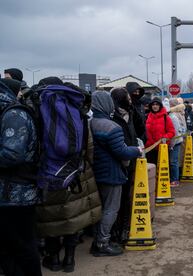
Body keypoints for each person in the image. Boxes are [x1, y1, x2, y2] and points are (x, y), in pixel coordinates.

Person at [36, 81, 102, 273]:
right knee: (73, 218)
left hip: (49, 173)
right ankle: (70, 260)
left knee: (51, 220)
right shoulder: (78, 113)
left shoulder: (40, 110)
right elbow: (89, 147)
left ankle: (54, 259)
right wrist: (87, 167)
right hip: (76, 173)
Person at [89, 91, 142, 257]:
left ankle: (98, 238)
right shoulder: (111, 127)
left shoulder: (89, 122)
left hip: (94, 172)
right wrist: (137, 150)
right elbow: (122, 152)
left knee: (99, 208)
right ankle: (102, 243)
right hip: (111, 173)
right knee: (111, 209)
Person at [0, 79, 42, 276]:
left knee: (23, 248)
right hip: (8, 193)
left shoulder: (14, 115)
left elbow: (12, 154)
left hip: (17, 194)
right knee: (9, 248)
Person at [110, 87, 138, 244]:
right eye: (127, 97)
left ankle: (124, 230)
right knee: (116, 200)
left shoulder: (131, 114)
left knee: (127, 197)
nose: (130, 100)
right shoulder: (112, 117)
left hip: (130, 161)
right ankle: (115, 231)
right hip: (117, 163)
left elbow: (138, 132)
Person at [145, 97, 176, 165]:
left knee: (162, 170)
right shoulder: (148, 117)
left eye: (157, 104)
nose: (155, 106)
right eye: (153, 104)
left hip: (162, 148)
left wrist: (164, 137)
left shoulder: (166, 117)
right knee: (151, 170)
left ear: (160, 106)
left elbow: (172, 132)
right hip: (150, 149)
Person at [168, 98, 187, 187]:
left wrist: (172, 143)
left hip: (176, 139)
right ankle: (177, 177)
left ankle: (175, 179)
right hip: (181, 137)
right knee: (178, 159)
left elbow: (175, 129)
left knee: (174, 161)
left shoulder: (173, 114)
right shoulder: (181, 112)